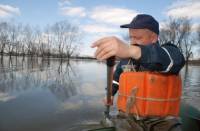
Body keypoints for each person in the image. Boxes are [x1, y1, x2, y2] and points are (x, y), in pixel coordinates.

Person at [91, 14, 185, 131]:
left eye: (138, 38)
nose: (133, 42)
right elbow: (116, 79)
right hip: (129, 117)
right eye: (131, 37)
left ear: (154, 38)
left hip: (162, 120)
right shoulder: (126, 60)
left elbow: (175, 60)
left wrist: (130, 50)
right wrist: (110, 93)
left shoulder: (169, 52)